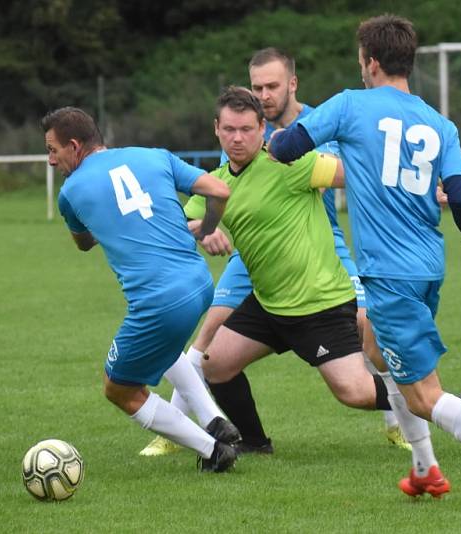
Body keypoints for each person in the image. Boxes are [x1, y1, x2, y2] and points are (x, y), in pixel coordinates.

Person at [268, 15, 461, 513]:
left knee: (426, 395)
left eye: (361, 60)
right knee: (373, 348)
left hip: (389, 274)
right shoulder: (438, 122)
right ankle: (425, 469)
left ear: (372, 62)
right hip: (427, 266)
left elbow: (287, 146)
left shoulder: (348, 105)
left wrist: (274, 145)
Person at [140, 47, 412, 458]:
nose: (237, 138)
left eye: (247, 129)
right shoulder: (214, 183)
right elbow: (182, 221)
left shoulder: (292, 162)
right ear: (216, 130)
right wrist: (203, 231)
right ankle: (253, 442)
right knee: (215, 362)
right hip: (268, 301)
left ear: (263, 130)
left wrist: (424, 186)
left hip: (317, 302)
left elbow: (359, 176)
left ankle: (439, 404)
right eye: (229, 130)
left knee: (354, 391)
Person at [43, 106, 239, 473]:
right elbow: (219, 189)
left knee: (117, 388)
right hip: (199, 283)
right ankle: (214, 419)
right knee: (161, 347)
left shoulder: (70, 192)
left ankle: (213, 450)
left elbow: (84, 243)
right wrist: (208, 227)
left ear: (74, 146)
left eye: (53, 150)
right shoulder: (154, 156)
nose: (51, 160)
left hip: (159, 302)